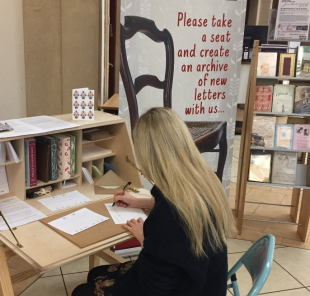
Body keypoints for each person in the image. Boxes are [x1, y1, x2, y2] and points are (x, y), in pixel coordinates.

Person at [72, 107, 235, 296]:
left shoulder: (168, 219)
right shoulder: (203, 180)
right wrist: (140, 202)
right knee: (95, 273)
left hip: (179, 288)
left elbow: (153, 290)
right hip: (204, 284)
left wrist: (145, 240)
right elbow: (181, 208)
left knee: (81, 292)